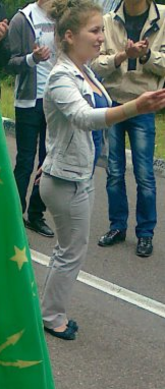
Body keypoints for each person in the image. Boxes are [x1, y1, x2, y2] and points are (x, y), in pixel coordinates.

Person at [39, 0, 165, 340]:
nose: (101, 37)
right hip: (66, 179)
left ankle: (50, 310)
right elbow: (84, 118)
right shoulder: (62, 76)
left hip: (74, 175)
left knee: (68, 250)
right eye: (94, 31)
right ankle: (52, 317)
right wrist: (135, 107)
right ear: (69, 36)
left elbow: (66, 126)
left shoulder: (85, 70)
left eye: (101, 31)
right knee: (70, 253)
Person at [92, 0, 165, 258]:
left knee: (144, 174)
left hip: (143, 104)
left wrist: (145, 56)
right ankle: (117, 226)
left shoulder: (162, 18)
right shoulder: (108, 20)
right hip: (114, 102)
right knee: (113, 170)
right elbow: (94, 64)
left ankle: (145, 233)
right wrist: (122, 56)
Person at [7, 0, 56, 238]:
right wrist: (32, 59)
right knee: (26, 160)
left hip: (56, 100)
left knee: (48, 161)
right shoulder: (22, 19)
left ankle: (36, 215)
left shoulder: (63, 18)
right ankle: (14, 213)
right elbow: (10, 63)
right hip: (29, 100)